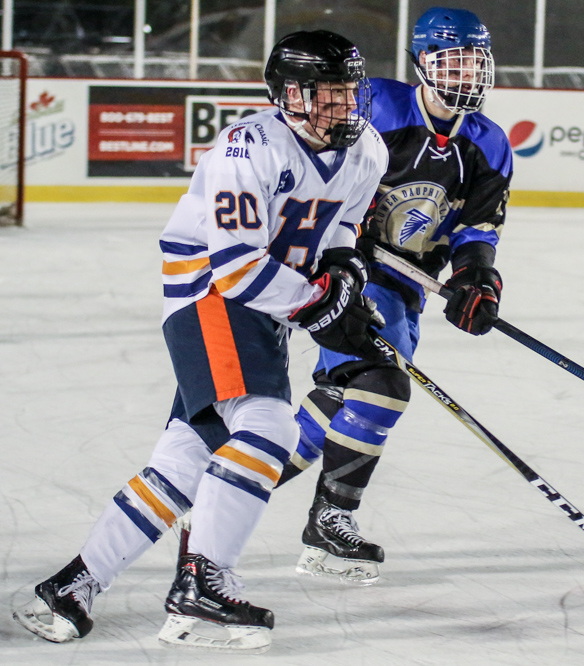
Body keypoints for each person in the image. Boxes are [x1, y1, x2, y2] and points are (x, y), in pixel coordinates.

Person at [12, 30, 388, 653]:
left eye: (348, 93)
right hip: (211, 294)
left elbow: (343, 225)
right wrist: (320, 310)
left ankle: (72, 587)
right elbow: (236, 267)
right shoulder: (248, 148)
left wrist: (345, 277)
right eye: (325, 94)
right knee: (270, 429)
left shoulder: (366, 150)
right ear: (287, 94)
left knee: (184, 462)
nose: (340, 107)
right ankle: (201, 589)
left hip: (261, 310)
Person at [277, 7, 513, 586]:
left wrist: (476, 279)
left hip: (405, 286)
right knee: (381, 385)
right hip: (342, 270)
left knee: (343, 396)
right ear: (422, 64)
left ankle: (234, 480)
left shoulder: (489, 143)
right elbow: (319, 160)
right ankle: (330, 524)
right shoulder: (376, 104)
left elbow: (478, 230)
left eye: (474, 60)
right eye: (452, 60)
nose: (465, 73)